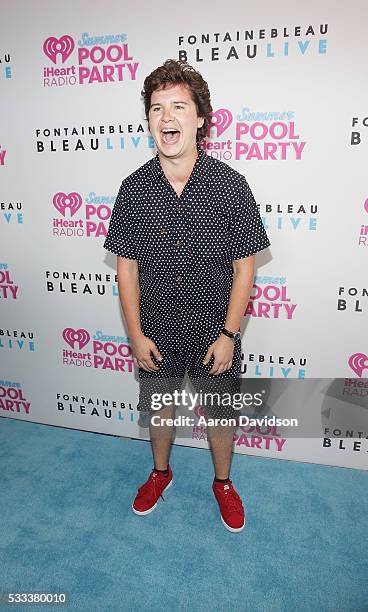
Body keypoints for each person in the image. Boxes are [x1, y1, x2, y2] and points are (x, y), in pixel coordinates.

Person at [103, 59, 270, 532]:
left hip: (213, 330)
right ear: (149, 119)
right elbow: (126, 268)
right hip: (155, 330)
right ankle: (160, 471)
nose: (167, 117)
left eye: (179, 106)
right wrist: (135, 334)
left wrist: (229, 334)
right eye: (157, 108)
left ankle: (222, 482)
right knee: (159, 407)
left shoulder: (230, 185)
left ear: (200, 118)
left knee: (219, 411)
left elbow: (245, 266)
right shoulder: (133, 189)